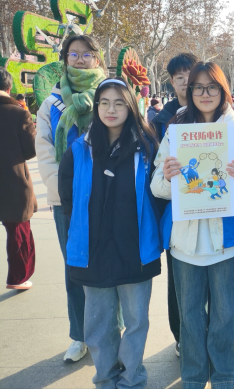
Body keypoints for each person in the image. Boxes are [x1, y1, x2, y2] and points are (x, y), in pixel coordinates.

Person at [151, 61, 234, 389]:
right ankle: (194, 379)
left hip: (226, 242)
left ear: (223, 90)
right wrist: (168, 177)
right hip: (185, 245)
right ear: (189, 91)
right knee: (190, 319)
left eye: (212, 86)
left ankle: (226, 379)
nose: (205, 93)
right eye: (198, 87)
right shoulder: (175, 132)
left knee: (225, 318)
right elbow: (156, 186)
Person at [58, 78, 161, 388]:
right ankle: (105, 380)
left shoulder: (147, 147)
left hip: (135, 248)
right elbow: (68, 200)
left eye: (118, 103)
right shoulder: (79, 150)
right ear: (97, 107)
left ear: (130, 107)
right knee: (99, 326)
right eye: (104, 103)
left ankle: (132, 380)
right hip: (93, 251)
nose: (111, 109)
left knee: (136, 321)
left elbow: (159, 195)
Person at [36, 34, 106, 363]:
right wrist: (65, 193)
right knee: (74, 267)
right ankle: (80, 334)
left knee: (108, 263)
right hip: (67, 202)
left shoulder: (111, 95)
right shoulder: (51, 104)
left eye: (87, 54)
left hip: (107, 197)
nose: (80, 59)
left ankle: (109, 330)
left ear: (97, 59)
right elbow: (45, 152)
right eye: (73, 54)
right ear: (65, 59)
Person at [150, 51, 198, 357]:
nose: (185, 81)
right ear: (171, 81)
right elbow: (154, 172)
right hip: (175, 211)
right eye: (179, 77)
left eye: (190, 75)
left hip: (210, 208)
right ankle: (180, 334)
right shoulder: (160, 120)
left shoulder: (218, 115)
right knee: (178, 279)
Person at [0, 67, 36, 291]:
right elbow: (30, 150)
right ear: (10, 87)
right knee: (18, 231)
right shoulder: (19, 113)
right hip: (12, 180)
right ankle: (18, 278)